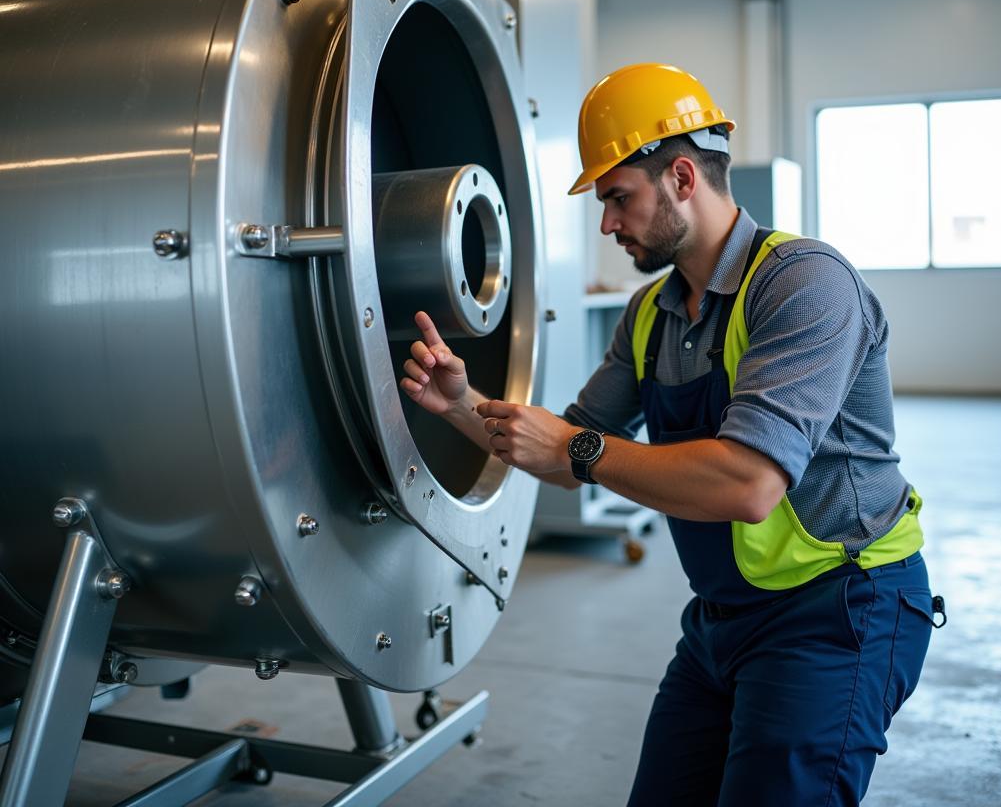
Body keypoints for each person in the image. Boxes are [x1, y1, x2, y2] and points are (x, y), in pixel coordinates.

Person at [399, 63, 943, 806]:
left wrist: (574, 449)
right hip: (722, 622)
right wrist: (463, 406)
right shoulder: (652, 312)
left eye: (618, 197)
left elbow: (748, 484)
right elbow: (567, 453)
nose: (607, 224)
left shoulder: (804, 284)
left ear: (682, 177)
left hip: (840, 610)